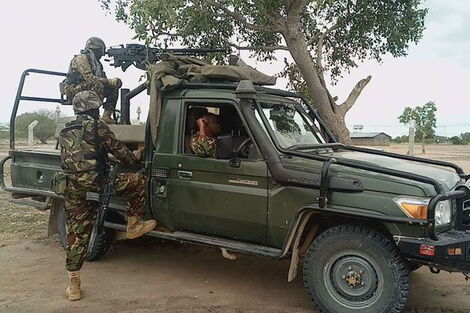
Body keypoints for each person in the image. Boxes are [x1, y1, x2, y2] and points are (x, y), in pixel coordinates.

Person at [59, 91, 157, 301]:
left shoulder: (67, 130)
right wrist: (134, 157)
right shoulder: (97, 126)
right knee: (138, 182)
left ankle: (73, 285)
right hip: (97, 183)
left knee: (77, 234)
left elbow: (82, 156)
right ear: (94, 108)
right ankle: (134, 224)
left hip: (73, 186)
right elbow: (122, 154)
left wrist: (104, 157)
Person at [61, 37, 122, 124]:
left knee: (112, 87)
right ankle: (95, 113)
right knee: (97, 85)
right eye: (100, 50)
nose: (101, 54)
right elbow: (90, 79)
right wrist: (110, 81)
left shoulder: (97, 64)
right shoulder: (82, 58)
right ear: (95, 49)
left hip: (86, 87)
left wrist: (112, 83)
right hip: (73, 88)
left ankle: (106, 116)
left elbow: (103, 79)